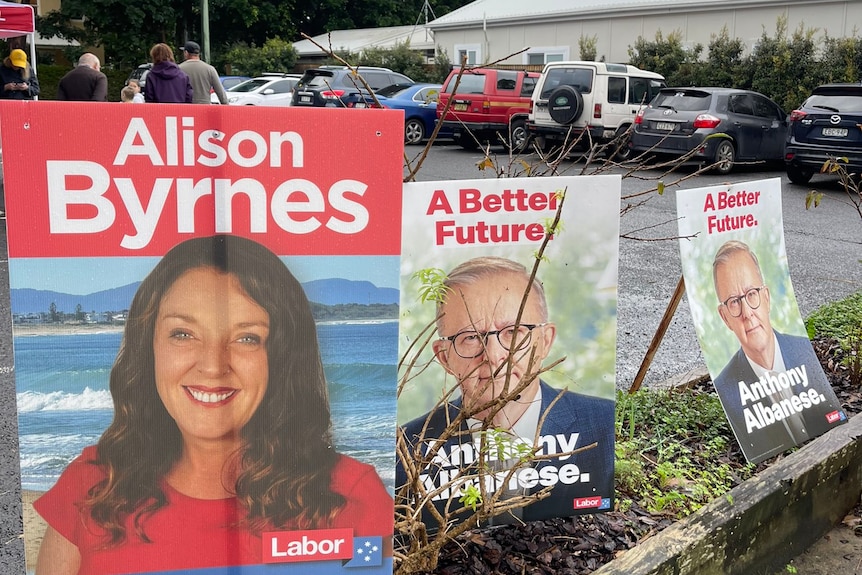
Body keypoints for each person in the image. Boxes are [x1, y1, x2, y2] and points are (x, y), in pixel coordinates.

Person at [33, 235, 393, 575]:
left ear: (282, 357)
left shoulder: (349, 495)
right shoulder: (93, 484)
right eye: (183, 334)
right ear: (149, 347)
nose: (212, 365)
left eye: (247, 337)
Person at [397, 256, 614, 525]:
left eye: (513, 332)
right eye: (471, 337)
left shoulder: (606, 427)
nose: (494, 355)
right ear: (444, 358)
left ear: (545, 341)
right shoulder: (402, 453)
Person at [711, 240, 845, 462]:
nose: (747, 313)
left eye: (751, 294)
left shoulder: (804, 351)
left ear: (766, 297)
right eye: (734, 302)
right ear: (724, 317)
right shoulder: (727, 390)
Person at [178, 41, 227, 105]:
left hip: (186, 108)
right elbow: (220, 92)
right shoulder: (210, 69)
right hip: (204, 107)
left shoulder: (179, 69)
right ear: (198, 53)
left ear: (186, 53)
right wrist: (226, 105)